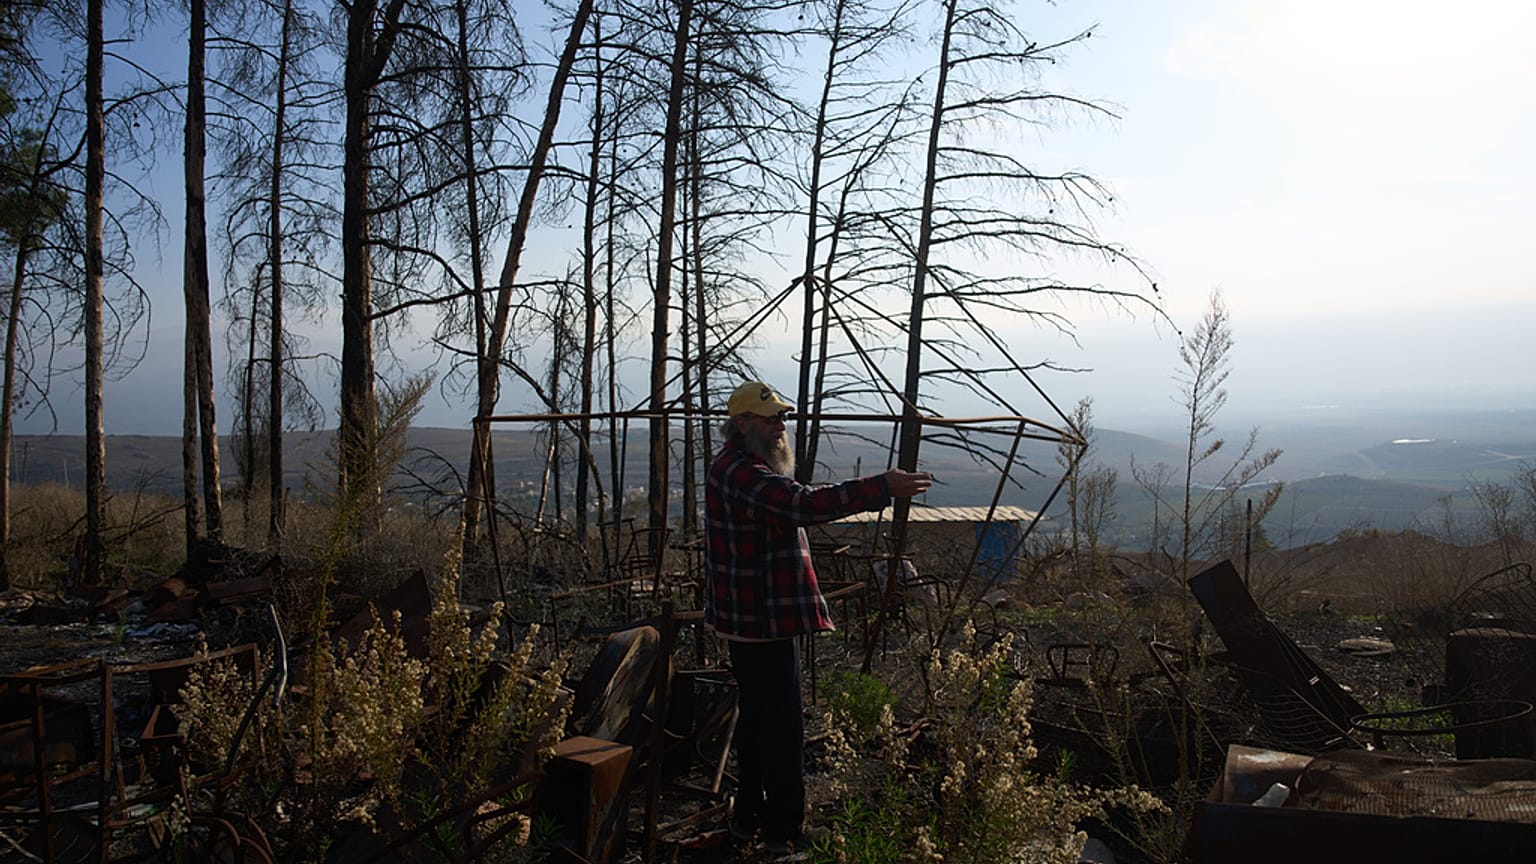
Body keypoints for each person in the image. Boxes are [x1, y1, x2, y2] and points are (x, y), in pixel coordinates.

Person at [704, 380, 932, 855]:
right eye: (770, 419)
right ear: (742, 423)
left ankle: (749, 819)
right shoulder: (742, 472)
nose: (780, 426)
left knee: (759, 724)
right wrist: (879, 488)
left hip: (756, 618)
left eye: (781, 418)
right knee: (783, 728)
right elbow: (801, 504)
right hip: (761, 622)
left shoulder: (742, 466)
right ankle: (785, 835)